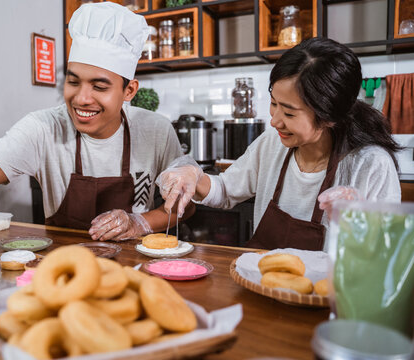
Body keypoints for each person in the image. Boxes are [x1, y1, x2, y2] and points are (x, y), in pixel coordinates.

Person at [0, 2, 193, 289]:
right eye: (73, 82)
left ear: (129, 90)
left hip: (139, 273)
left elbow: (186, 205)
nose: (81, 98)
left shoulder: (155, 130)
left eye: (99, 86)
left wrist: (140, 221)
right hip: (60, 275)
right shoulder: (43, 127)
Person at [157, 37, 401, 252]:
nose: (274, 121)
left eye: (290, 113)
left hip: (326, 299)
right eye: (274, 103)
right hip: (259, 286)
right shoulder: (273, 144)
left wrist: (359, 224)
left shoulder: (370, 165)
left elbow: (387, 259)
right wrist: (194, 176)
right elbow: (225, 191)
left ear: (329, 116)